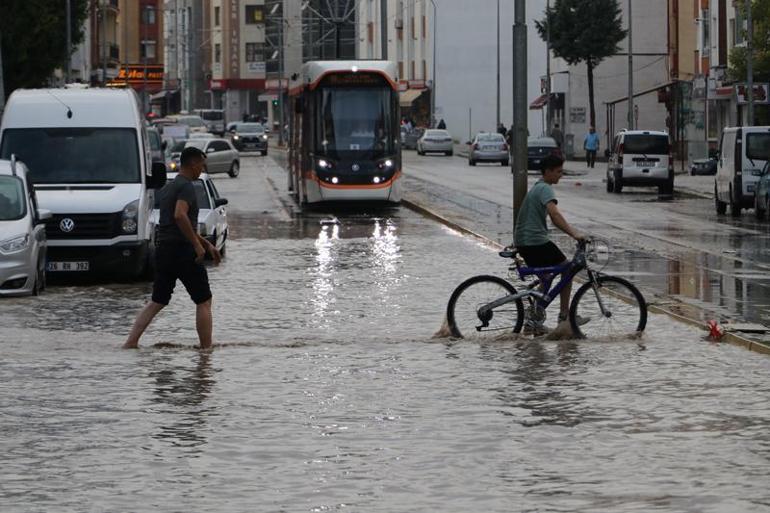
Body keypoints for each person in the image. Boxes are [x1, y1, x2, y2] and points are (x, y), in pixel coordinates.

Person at [123, 147, 222, 350]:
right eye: (201, 165)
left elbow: (179, 223)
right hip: (183, 251)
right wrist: (197, 246)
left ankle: (130, 342)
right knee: (204, 300)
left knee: (157, 300)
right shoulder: (186, 187)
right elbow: (180, 215)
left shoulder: (168, 188)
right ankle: (206, 350)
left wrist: (206, 243)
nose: (202, 169)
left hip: (164, 249)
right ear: (193, 164)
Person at [514, 154, 587, 332]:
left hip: (526, 241)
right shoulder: (545, 188)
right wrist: (575, 234)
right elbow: (554, 215)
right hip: (534, 241)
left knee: (547, 277)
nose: (561, 175)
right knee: (568, 269)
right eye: (558, 171)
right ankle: (564, 317)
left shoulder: (538, 187)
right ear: (548, 172)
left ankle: (533, 321)